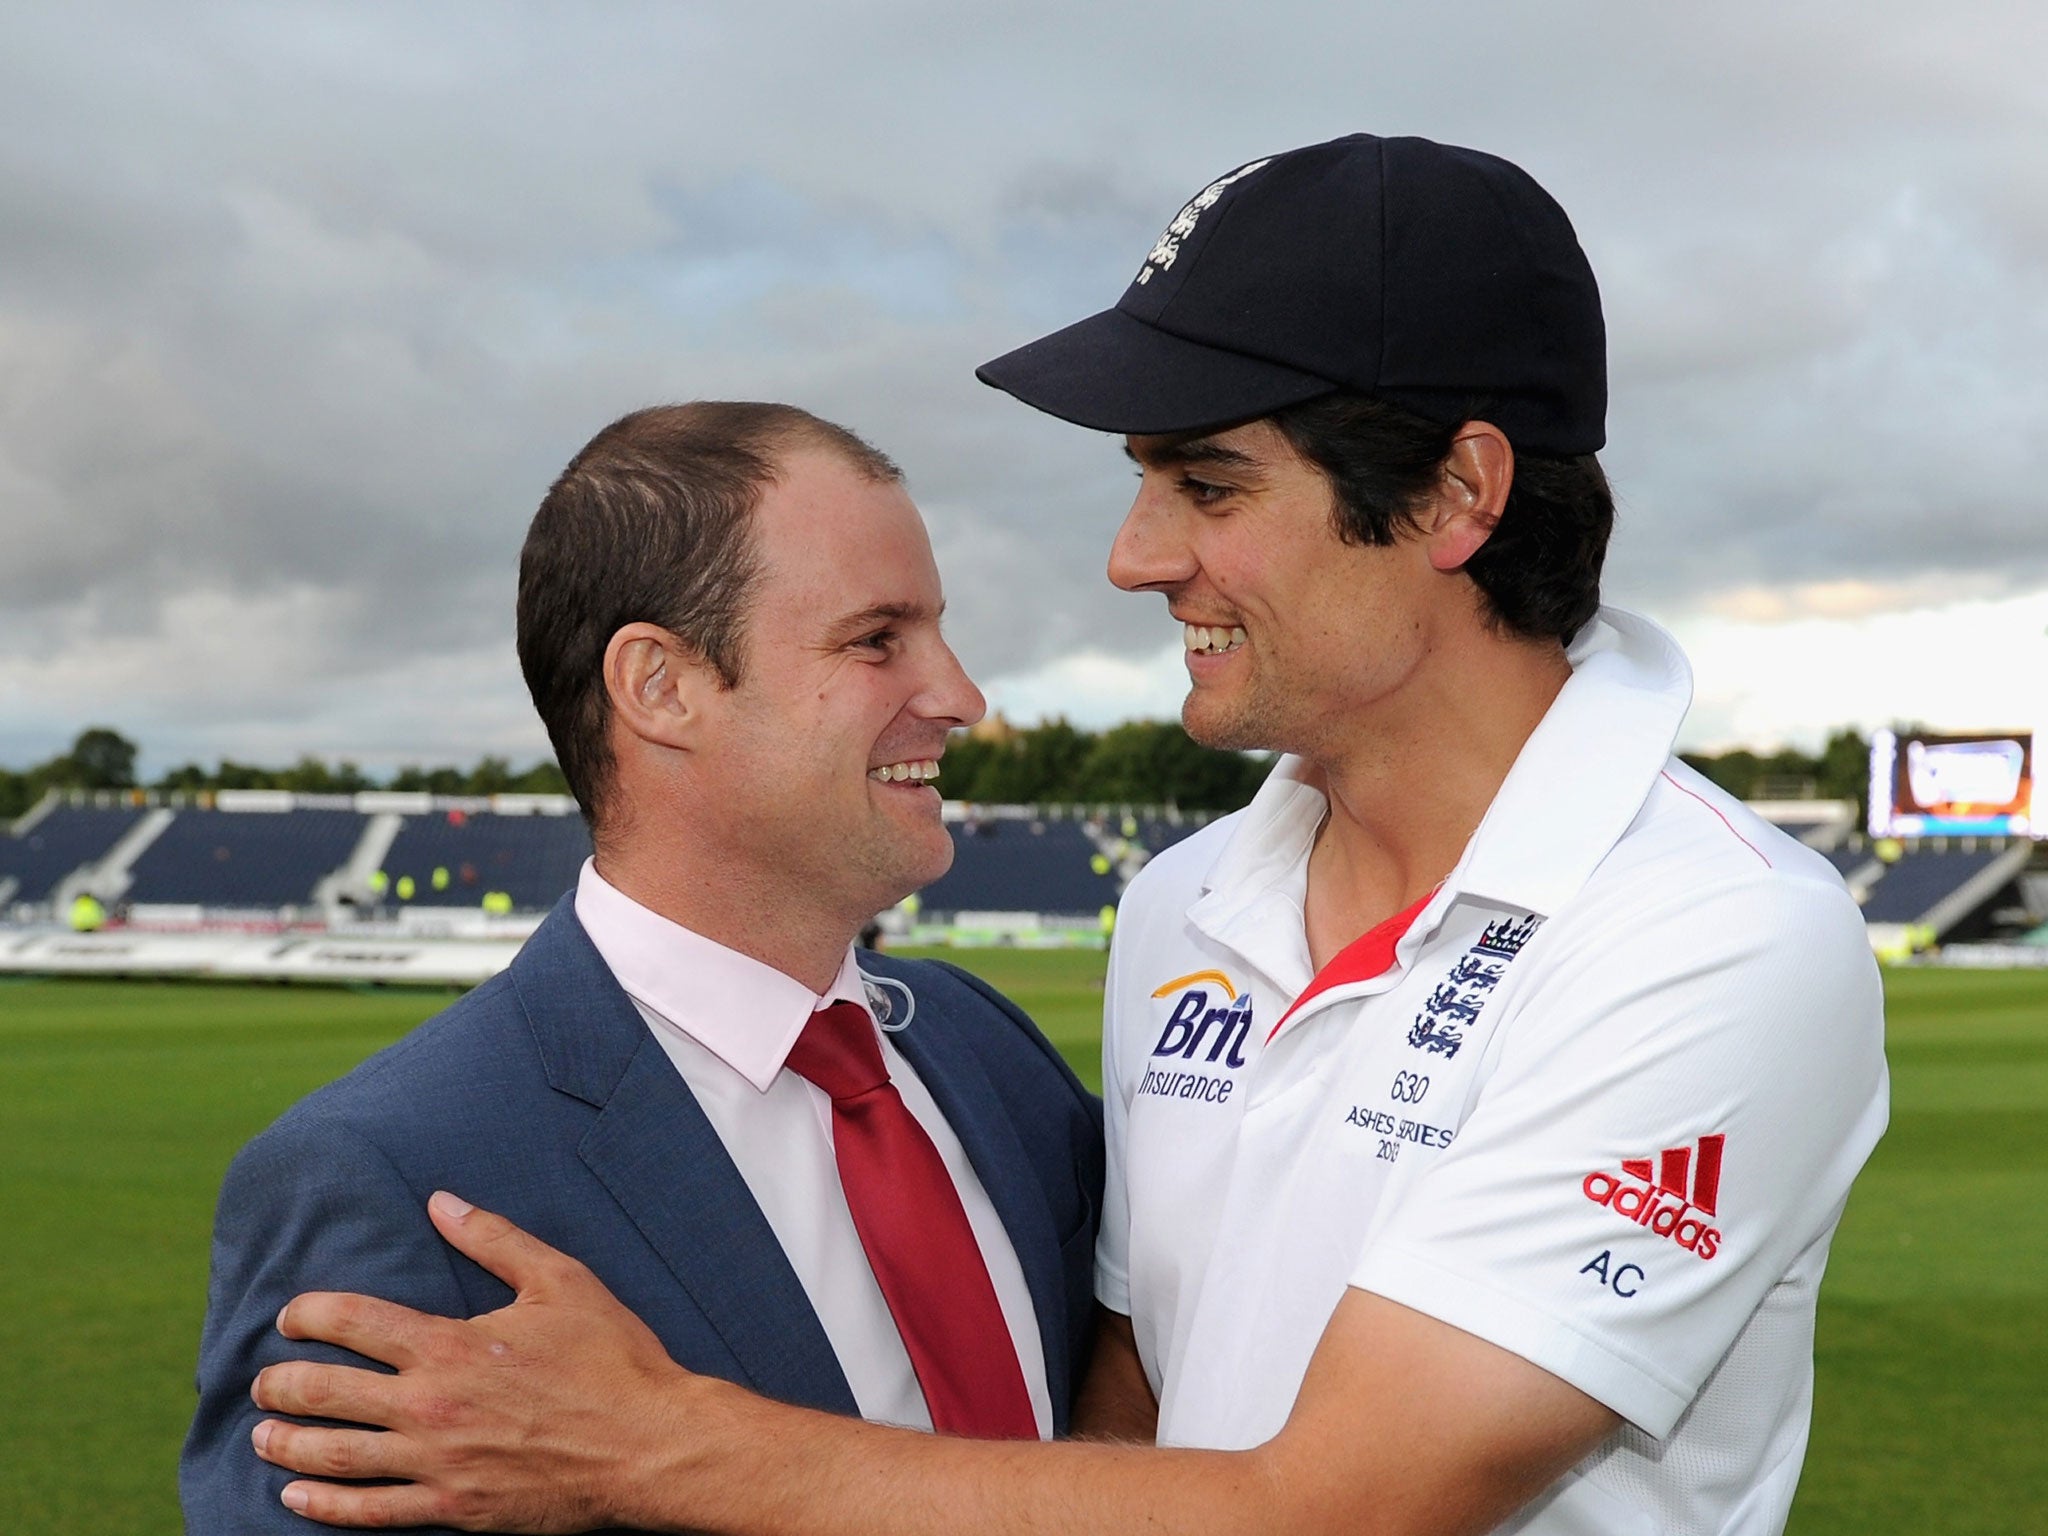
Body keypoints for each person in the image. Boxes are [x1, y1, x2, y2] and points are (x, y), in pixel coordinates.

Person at [246, 135, 1888, 1536]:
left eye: (1209, 484)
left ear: (1458, 495)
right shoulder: (1184, 905)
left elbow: (1338, 1504)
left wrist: (653, 1441)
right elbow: (1124, 1411)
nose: (1132, 555)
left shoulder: (1712, 936)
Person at [180, 402, 1106, 1530]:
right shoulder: (390, 1179)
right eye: (878, 640)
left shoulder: (985, 1050)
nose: (960, 696)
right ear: (660, 686)